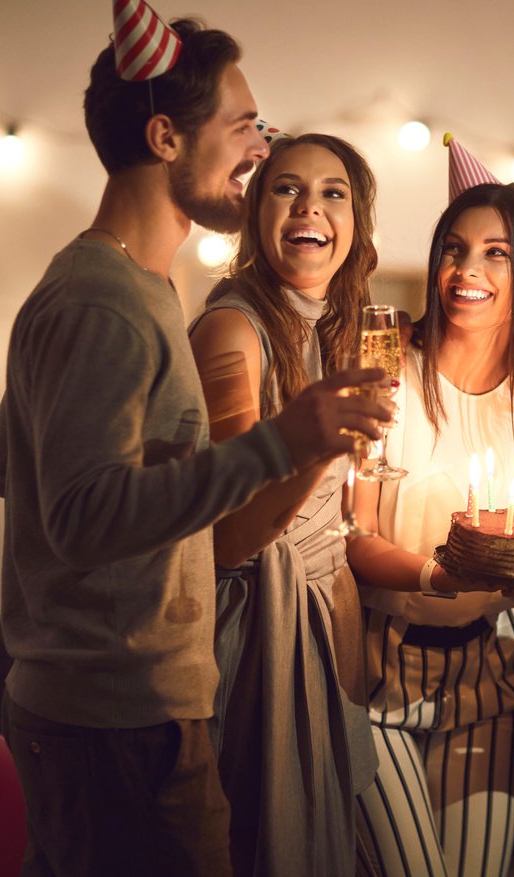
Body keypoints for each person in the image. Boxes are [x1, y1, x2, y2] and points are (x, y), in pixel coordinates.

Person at [0, 14, 391, 875]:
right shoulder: (106, 302)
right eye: (242, 126)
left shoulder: (133, 285)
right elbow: (82, 516)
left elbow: (6, 464)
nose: (260, 145)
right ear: (166, 136)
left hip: (135, 710)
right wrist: (284, 444)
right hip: (113, 723)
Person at [347, 144, 514, 877]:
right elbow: (352, 533)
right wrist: (435, 576)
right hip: (375, 671)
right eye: (454, 250)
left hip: (490, 678)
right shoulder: (388, 369)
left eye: (497, 254)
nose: (467, 272)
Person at [187, 132, 383, 876]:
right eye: (286, 188)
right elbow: (230, 535)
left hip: (322, 632)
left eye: (333, 192)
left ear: (355, 220)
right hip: (252, 641)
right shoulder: (234, 329)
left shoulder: (328, 324)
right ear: (255, 209)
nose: (311, 207)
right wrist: (323, 445)